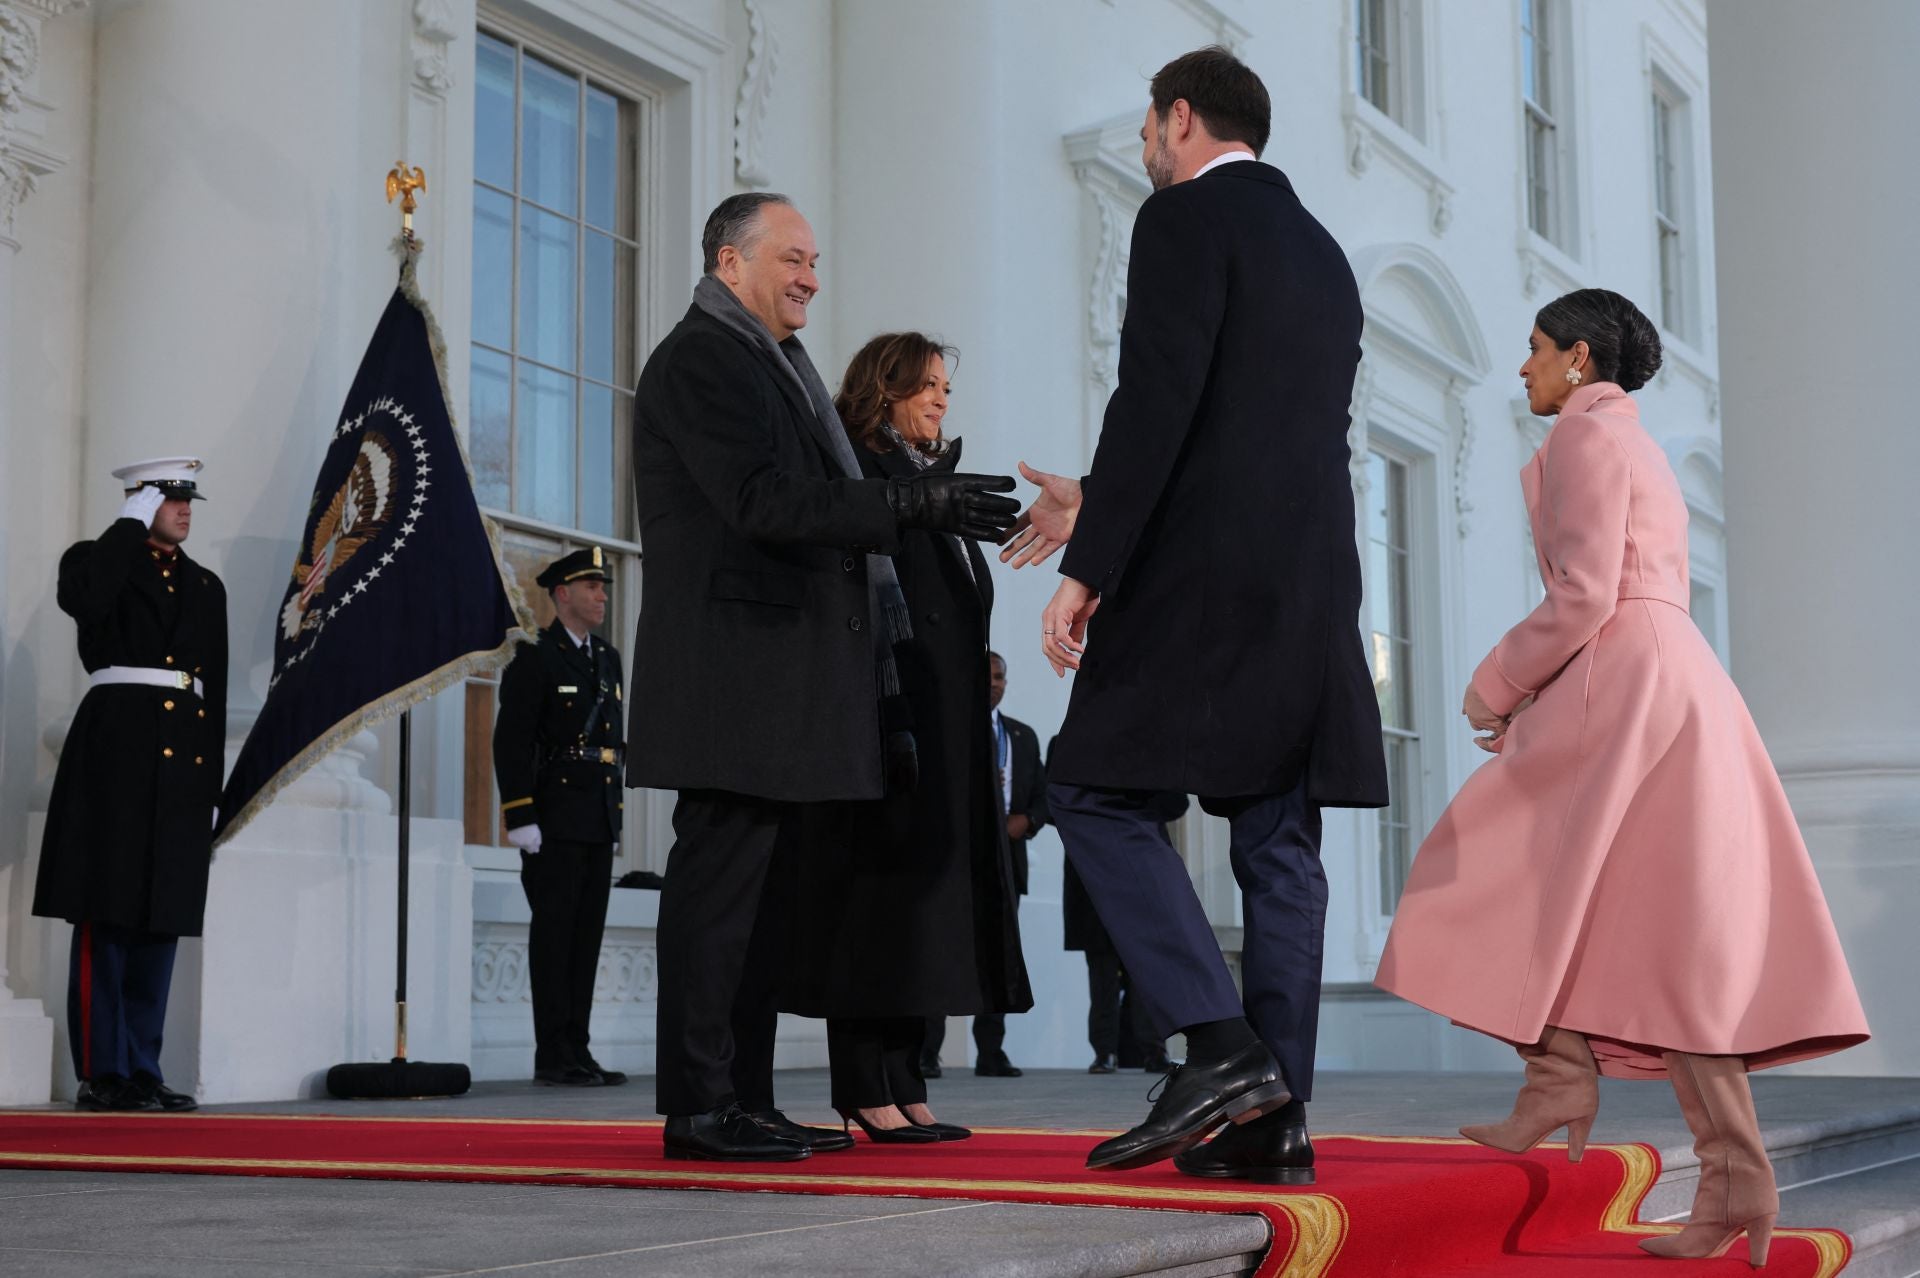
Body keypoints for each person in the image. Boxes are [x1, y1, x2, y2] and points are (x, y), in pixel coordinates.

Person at [1375, 290, 1869, 1267]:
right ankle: (1725, 1169)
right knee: (1658, 939)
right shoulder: (1636, 442)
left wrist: (1495, 688)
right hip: (1666, 676)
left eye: (1535, 351)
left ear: (1579, 362)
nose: (1522, 369)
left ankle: (1569, 1080)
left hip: (1623, 679)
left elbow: (1586, 591)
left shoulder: (1585, 443)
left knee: (1471, 863)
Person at [1002, 46, 1387, 1184]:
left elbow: (1161, 396)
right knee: (1278, 846)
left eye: (1147, 134)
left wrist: (1092, 563)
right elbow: (1250, 426)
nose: (1145, 153)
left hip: (1201, 586)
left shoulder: (1180, 222)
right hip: (1308, 584)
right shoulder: (1325, 254)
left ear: (1180, 119)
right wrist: (1100, 495)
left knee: (1090, 791)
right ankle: (1277, 1122)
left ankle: (1218, 1048)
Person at [628, 195, 1020, 1162]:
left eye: (815, 260)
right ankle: (698, 1104)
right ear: (730, 261)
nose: (810, 275)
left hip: (784, 684)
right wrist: (909, 499)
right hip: (733, 679)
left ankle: (746, 1099)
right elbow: (759, 500)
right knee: (720, 897)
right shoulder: (702, 358)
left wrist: (910, 501)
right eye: (792, 257)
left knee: (764, 912)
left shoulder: (775, 364)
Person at [782, 334, 1032, 1144]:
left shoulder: (933, 483)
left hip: (946, 726)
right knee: (878, 905)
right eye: (926, 386)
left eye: (946, 389)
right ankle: (863, 1085)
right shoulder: (863, 476)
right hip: (884, 722)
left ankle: (906, 1078)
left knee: (923, 908)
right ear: (882, 391)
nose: (941, 401)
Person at [33, 457, 228, 1113]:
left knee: (159, 919)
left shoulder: (205, 585)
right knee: (107, 914)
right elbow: (84, 601)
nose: (184, 510)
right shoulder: (97, 560)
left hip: (178, 771)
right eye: (170, 499)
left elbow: (215, 690)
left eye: (186, 500)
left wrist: (212, 785)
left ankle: (144, 1067)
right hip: (114, 755)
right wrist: (126, 524)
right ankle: (103, 1070)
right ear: (139, 503)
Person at [492, 547, 628, 1089]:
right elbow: (512, 740)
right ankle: (553, 1054)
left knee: (586, 941)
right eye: (591, 586)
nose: (601, 596)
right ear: (562, 593)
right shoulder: (535, 656)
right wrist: (519, 814)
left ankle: (580, 1048)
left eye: (604, 586)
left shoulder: (607, 659)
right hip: (552, 821)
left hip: (596, 818)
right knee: (554, 940)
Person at [922, 650, 1042, 1079]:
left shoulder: (1023, 737)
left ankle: (992, 1051)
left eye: (1000, 677)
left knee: (999, 954)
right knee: (939, 951)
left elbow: (1043, 797)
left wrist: (1027, 820)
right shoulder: (950, 731)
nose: (994, 683)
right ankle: (925, 1052)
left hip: (1007, 859)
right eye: (987, 675)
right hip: (954, 855)